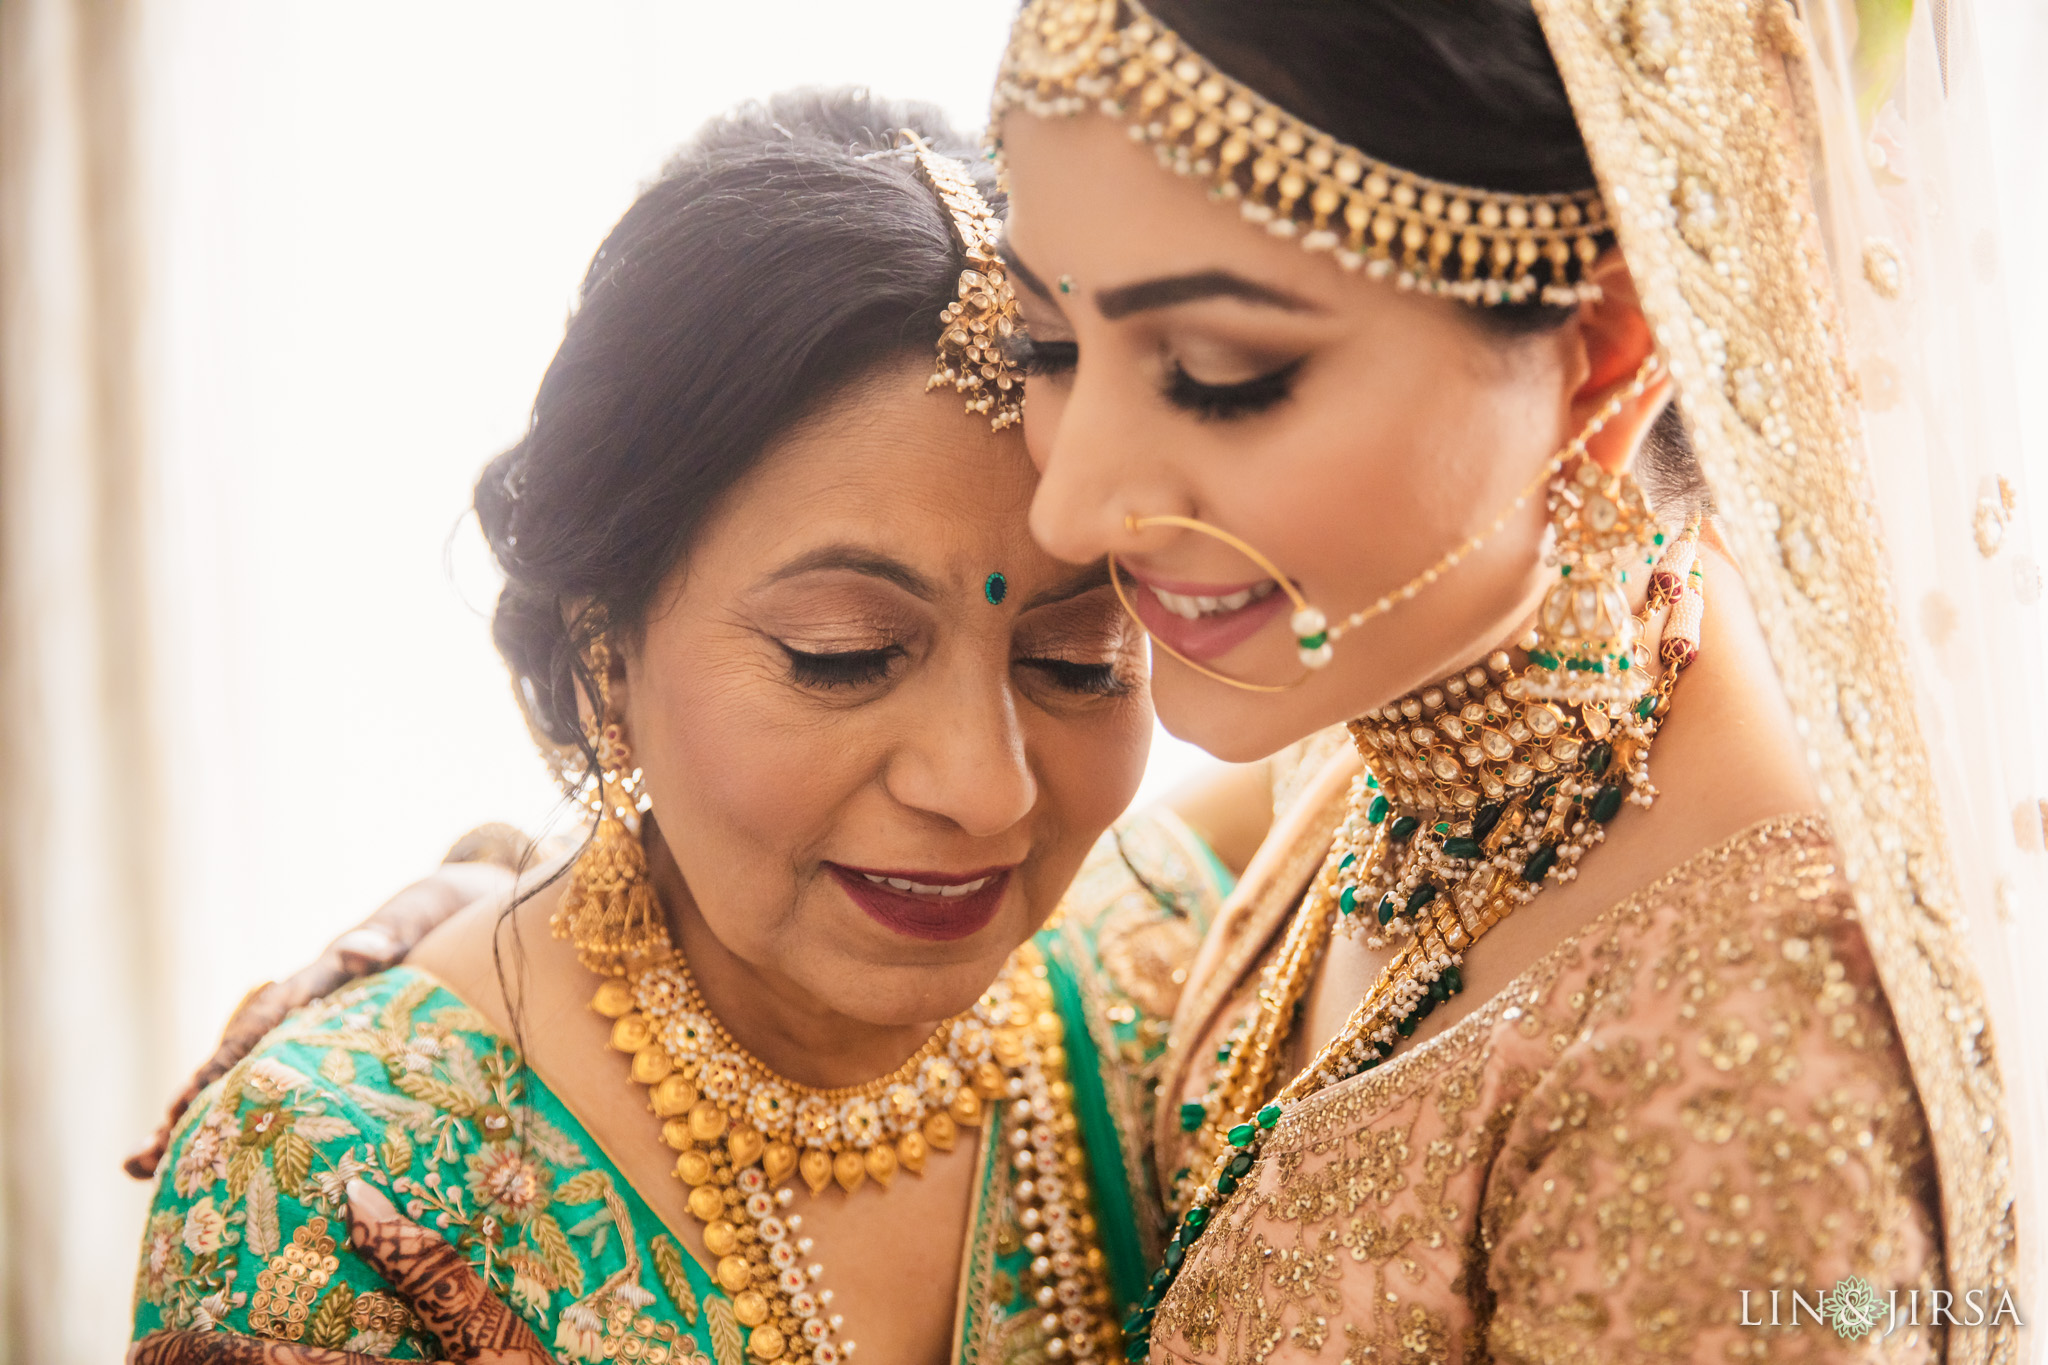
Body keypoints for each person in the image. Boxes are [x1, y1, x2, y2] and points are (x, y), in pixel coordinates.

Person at [128, 91, 1246, 1365]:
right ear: (604, 650)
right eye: (847, 655)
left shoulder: (1174, 981)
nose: (985, 790)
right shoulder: (330, 1182)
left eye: (1076, 659)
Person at [989, 0, 2033, 1362]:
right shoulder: (1387, 722)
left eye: (1216, 374)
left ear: (1601, 350)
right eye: (1046, 348)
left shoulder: (1748, 1064)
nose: (1070, 507)